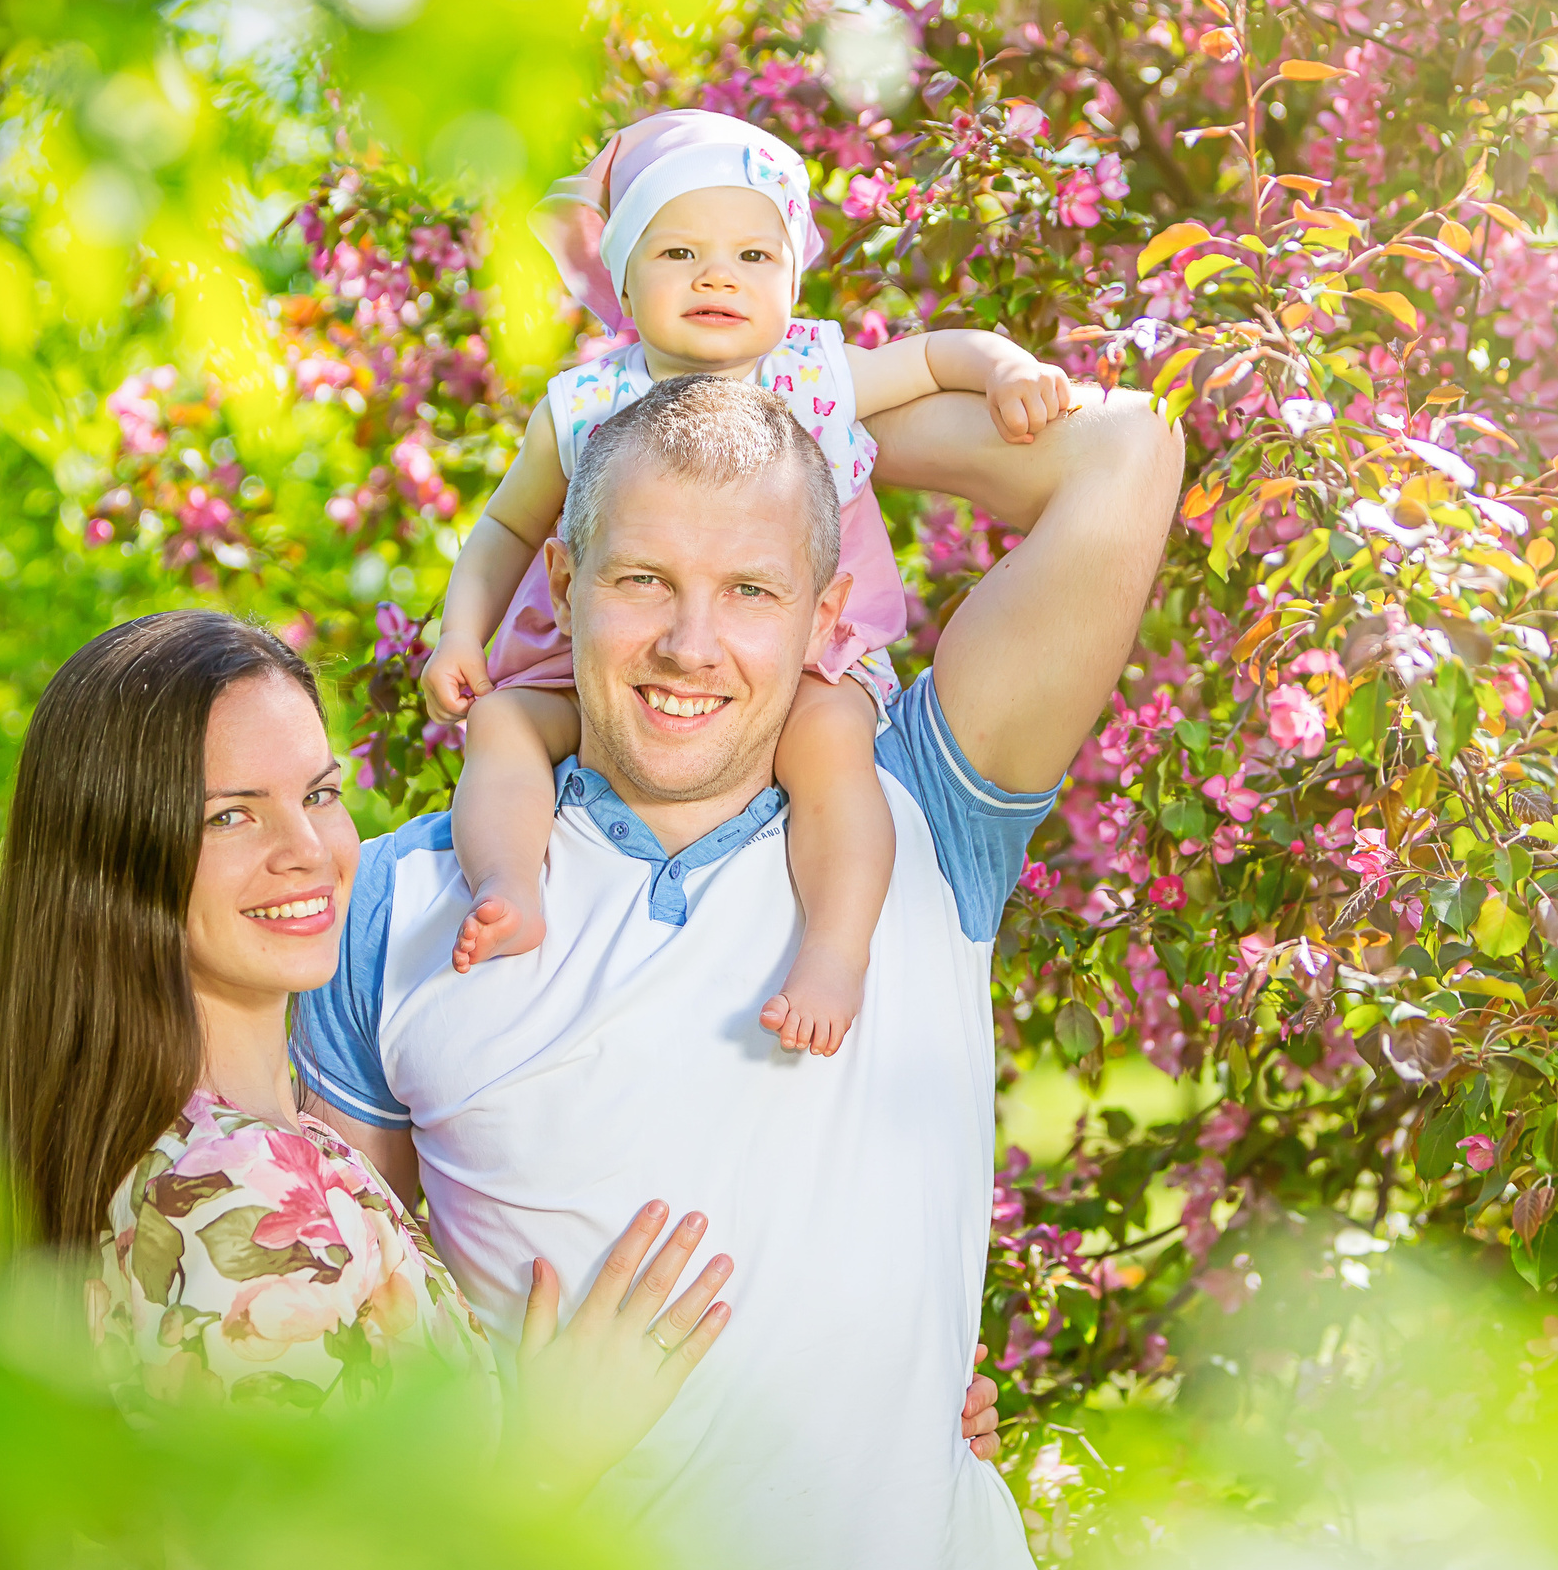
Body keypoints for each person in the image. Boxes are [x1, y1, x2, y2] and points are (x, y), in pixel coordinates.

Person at [300, 375, 1184, 1570]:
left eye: (754, 590)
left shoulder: (918, 819)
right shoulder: (392, 904)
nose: (690, 644)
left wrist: (789, 417)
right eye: (643, 577)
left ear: (830, 613)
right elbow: (339, 1367)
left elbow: (1127, 447)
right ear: (566, 574)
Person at [0, 610, 1003, 1570]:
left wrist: (874, 1394)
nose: (308, 850)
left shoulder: (225, 1151)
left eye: (318, 794)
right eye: (229, 815)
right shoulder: (244, 1192)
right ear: (112, 847)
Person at [420, 108, 1074, 1058]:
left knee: (835, 757)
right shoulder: (585, 404)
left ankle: (837, 950)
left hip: (797, 659)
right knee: (503, 729)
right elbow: (507, 527)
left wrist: (1009, 368)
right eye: (679, 251)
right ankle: (510, 884)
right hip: (595, 654)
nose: (718, 276)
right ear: (625, 280)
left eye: (754, 257)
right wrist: (459, 633)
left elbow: (936, 355)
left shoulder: (811, 375)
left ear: (790, 278)